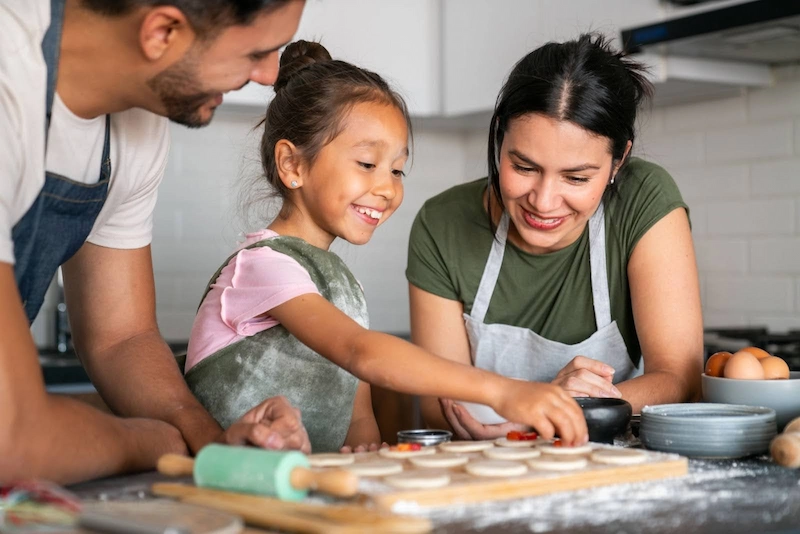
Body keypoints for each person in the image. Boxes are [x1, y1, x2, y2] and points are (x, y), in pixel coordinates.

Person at [184, 40, 589, 453]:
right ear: (293, 164)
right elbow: (361, 353)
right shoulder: (261, 267)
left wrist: (364, 453)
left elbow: (358, 413)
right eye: (367, 164)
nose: (387, 188)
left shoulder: (342, 287)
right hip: (228, 486)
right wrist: (504, 392)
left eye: (397, 170)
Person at [0, 0, 311, 485]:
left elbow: (120, 338)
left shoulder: (134, 121)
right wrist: (160, 442)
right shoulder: (7, 79)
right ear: (162, 31)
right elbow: (12, 436)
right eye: (258, 51)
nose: (271, 75)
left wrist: (209, 443)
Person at [407, 34, 703, 441]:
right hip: (489, 471)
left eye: (576, 177)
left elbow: (679, 380)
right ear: (499, 140)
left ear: (619, 161)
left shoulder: (644, 199)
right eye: (524, 167)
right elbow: (440, 409)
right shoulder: (442, 223)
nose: (544, 202)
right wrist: (549, 402)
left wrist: (562, 409)